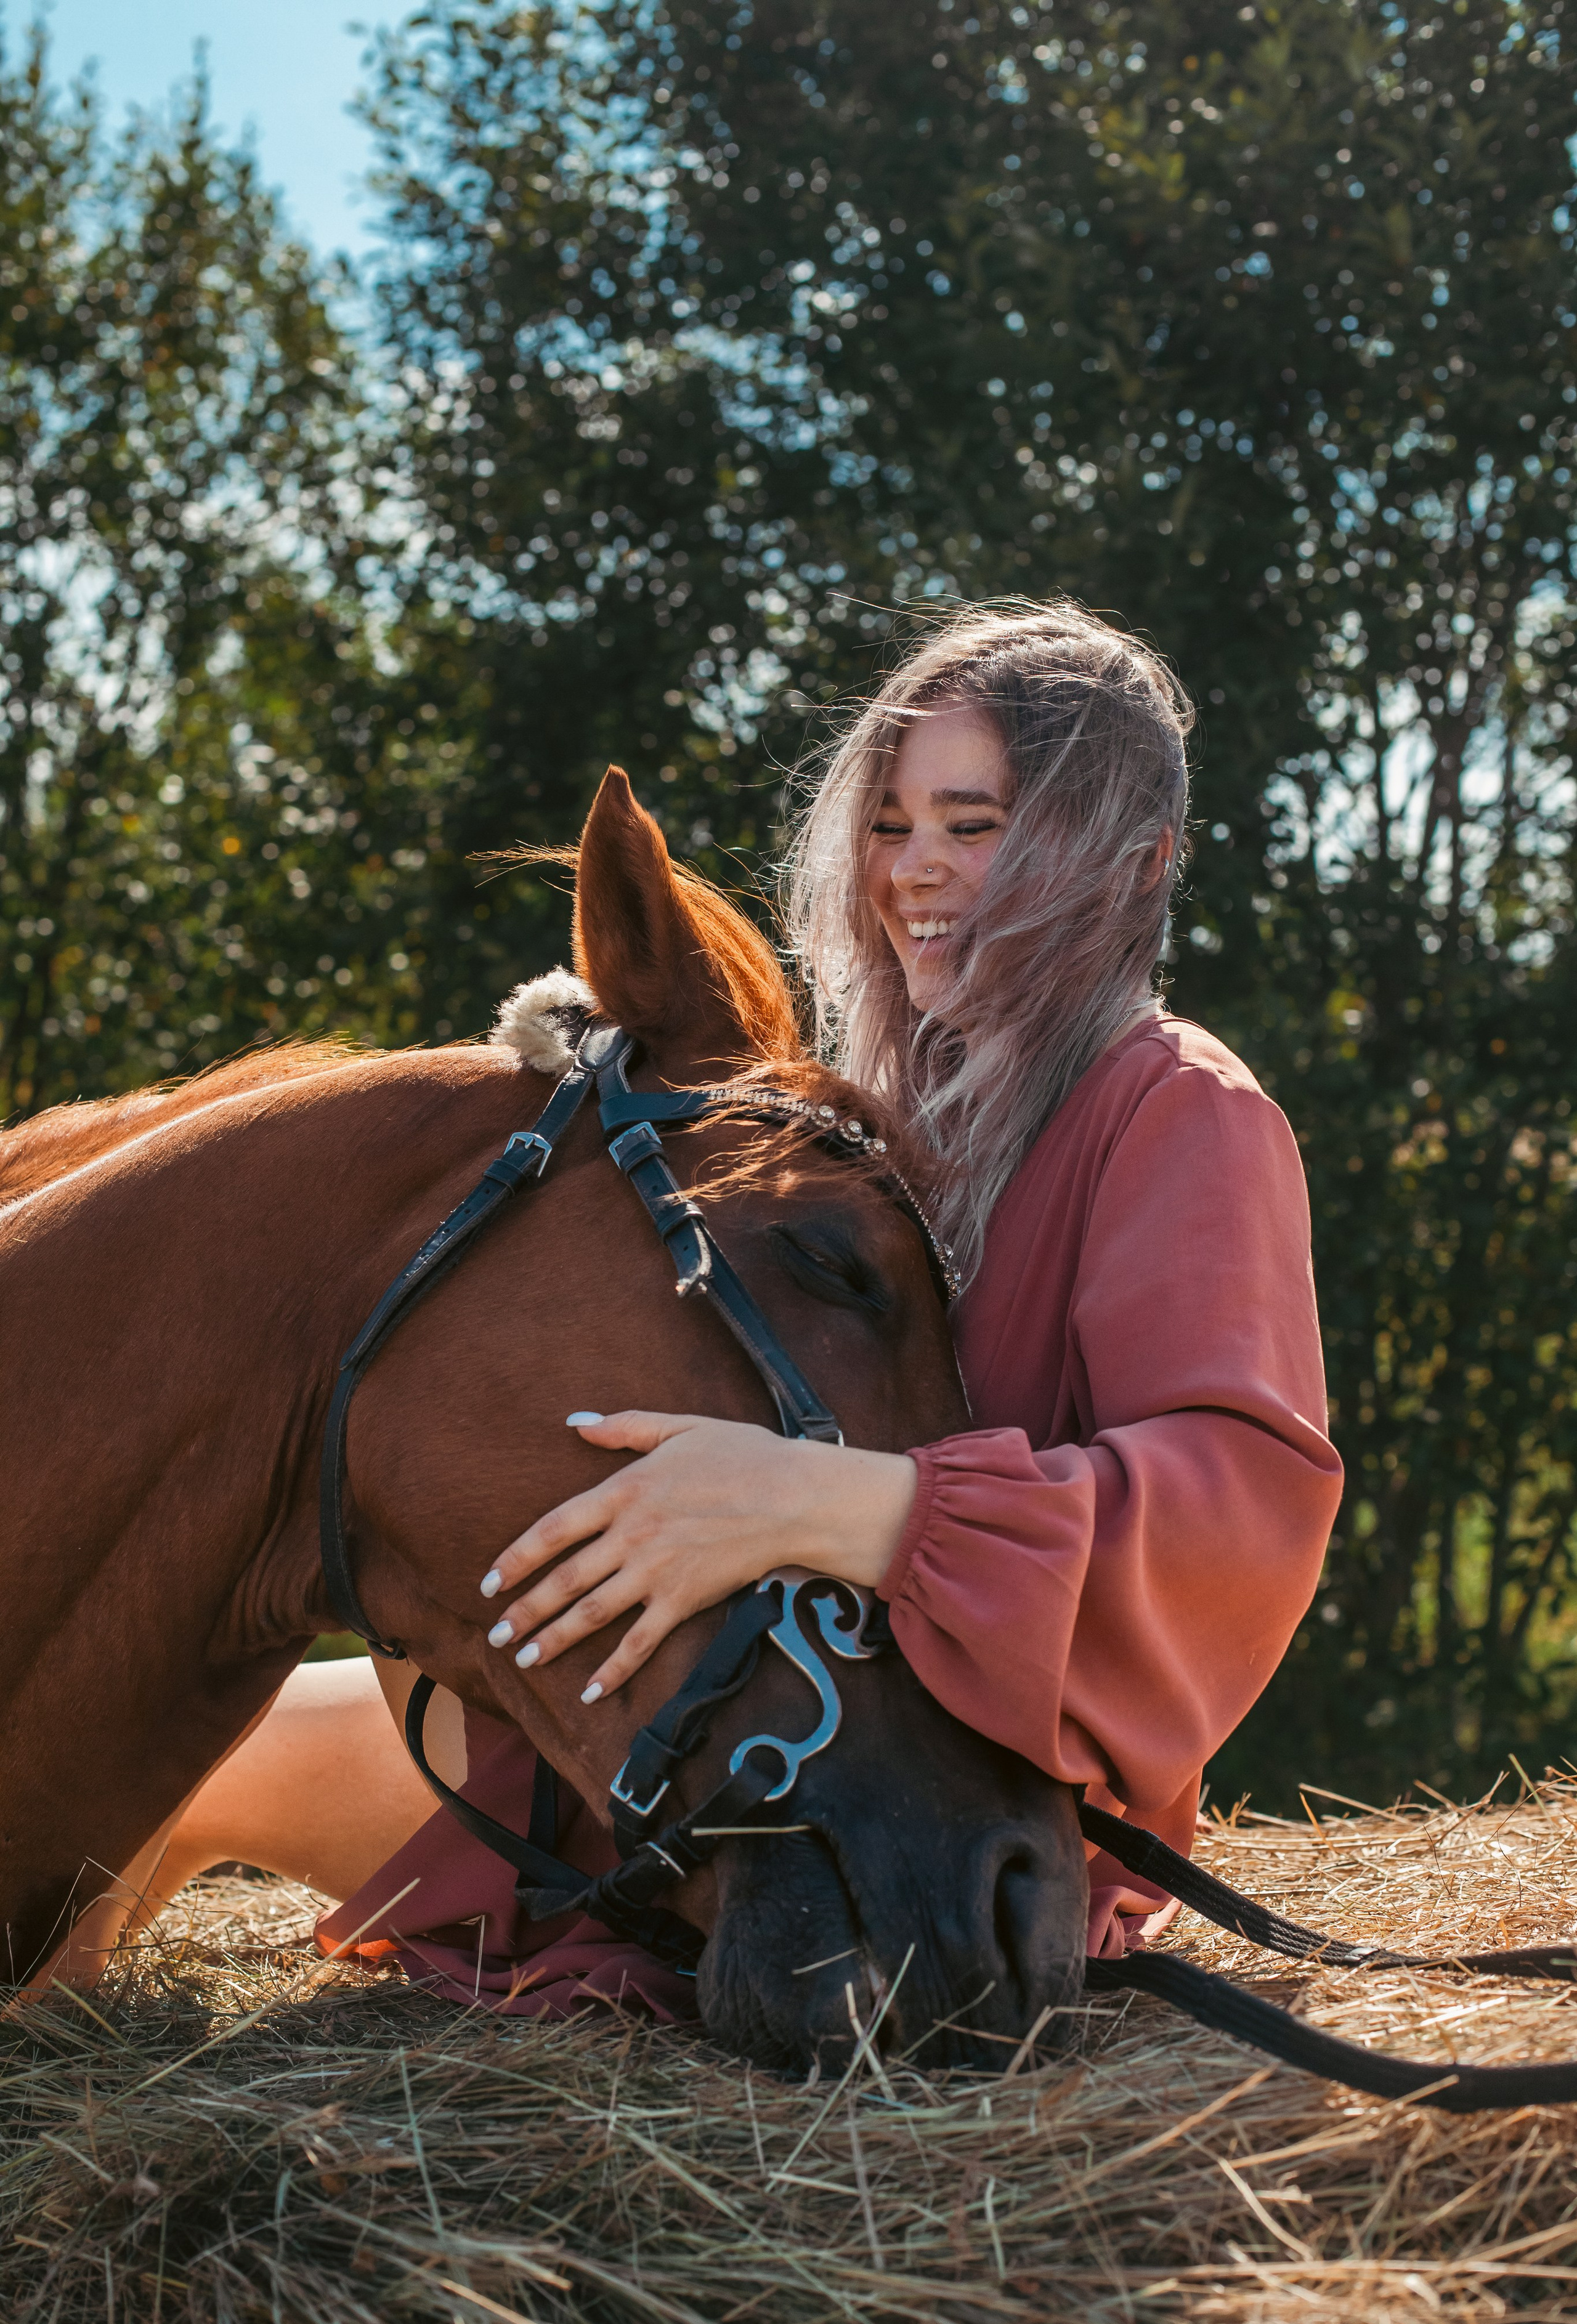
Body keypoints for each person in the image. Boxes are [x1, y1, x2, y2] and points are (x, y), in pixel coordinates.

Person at [93, 599, 1342, 2010]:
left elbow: (1233, 1516)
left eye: (972, 825)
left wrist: (832, 1506)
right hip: (744, 1718)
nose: (913, 871)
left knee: (217, 1762)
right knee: (171, 1738)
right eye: (888, 825)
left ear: (1133, 864)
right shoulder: (882, 1121)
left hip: (948, 1814)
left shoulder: (1177, 1112)